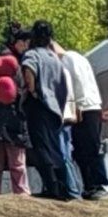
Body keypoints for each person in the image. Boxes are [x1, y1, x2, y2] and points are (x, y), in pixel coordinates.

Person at [21, 22, 78, 199]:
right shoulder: (55, 58)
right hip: (55, 108)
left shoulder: (32, 54)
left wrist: (32, 89)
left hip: (38, 104)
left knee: (41, 148)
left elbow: (29, 70)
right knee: (55, 148)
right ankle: (63, 186)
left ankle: (52, 188)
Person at [0, 29, 31, 195]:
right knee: (15, 166)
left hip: (1, 127)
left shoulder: (0, 77)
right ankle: (21, 193)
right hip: (12, 127)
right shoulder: (19, 75)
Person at [63, 39, 108, 199]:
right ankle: (89, 185)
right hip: (87, 107)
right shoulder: (76, 57)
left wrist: (78, 106)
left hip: (86, 108)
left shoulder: (69, 58)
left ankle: (98, 185)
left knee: (91, 148)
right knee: (81, 151)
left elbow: (78, 83)